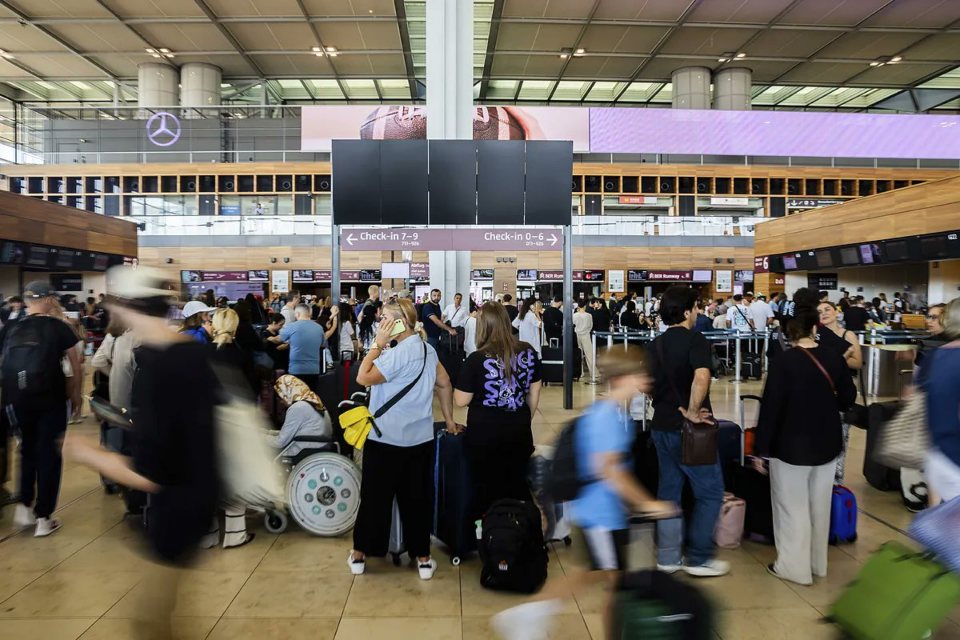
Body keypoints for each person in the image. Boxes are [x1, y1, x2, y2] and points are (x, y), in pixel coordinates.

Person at [64, 266, 219, 640]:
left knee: (151, 623)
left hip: (175, 506)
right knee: (163, 614)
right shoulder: (191, 353)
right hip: (201, 496)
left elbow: (151, 470)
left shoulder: (155, 364)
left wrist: (89, 454)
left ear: (125, 307)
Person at [490, 348, 676, 639]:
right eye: (639, 374)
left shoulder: (612, 413)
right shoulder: (609, 418)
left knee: (594, 575)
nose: (645, 379)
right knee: (612, 584)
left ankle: (530, 614)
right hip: (600, 517)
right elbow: (610, 471)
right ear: (622, 378)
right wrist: (649, 504)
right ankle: (531, 615)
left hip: (603, 514)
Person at [349, 299, 458, 580]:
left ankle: (361, 554)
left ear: (400, 321)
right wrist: (448, 419)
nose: (380, 321)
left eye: (385, 318)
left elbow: (363, 377)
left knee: (375, 498)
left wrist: (377, 343)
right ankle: (422, 558)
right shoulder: (427, 349)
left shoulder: (394, 354)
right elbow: (444, 383)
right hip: (420, 439)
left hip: (385, 438)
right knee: (416, 499)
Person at [754, 306, 857, 586]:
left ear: (789, 334)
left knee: (791, 506)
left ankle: (793, 568)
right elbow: (848, 396)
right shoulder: (833, 357)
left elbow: (771, 408)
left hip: (789, 445)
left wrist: (761, 449)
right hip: (827, 442)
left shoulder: (784, 362)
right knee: (819, 505)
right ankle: (817, 564)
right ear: (815, 328)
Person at [645, 285, 729, 578]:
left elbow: (645, 384)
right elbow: (702, 376)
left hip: (661, 426)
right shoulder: (696, 340)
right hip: (690, 432)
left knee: (669, 492)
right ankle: (699, 557)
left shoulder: (654, 344)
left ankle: (668, 558)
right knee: (710, 492)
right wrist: (692, 412)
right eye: (695, 307)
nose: (697, 312)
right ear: (685, 311)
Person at [0, 281, 82, 537]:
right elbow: (75, 363)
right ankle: (44, 517)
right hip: (50, 399)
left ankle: (24, 507)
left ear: (26, 301)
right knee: (49, 454)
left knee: (26, 449)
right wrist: (76, 395)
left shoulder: (13, 326)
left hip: (16, 398)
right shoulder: (58, 327)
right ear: (48, 300)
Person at [454, 302, 541, 520]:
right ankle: (520, 532)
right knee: (517, 483)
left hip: (484, 434)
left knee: (485, 488)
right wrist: (523, 418)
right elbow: (534, 391)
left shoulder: (476, 359)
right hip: (519, 431)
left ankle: (489, 537)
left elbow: (461, 400)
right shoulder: (527, 351)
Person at [817, 301, 863, 483]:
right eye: (819, 311)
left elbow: (858, 362)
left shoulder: (847, 335)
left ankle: (837, 482)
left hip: (842, 392)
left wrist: (837, 359)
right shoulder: (817, 337)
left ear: (836, 313)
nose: (824, 313)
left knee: (840, 439)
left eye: (827, 309)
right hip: (822, 392)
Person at [919, 299, 960, 502]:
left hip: (937, 453)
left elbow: (917, 396)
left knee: (937, 521)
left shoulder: (936, 355)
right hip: (955, 456)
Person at [268, 375, 332, 456]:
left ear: (287, 391)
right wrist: (270, 433)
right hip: (319, 446)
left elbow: (280, 442)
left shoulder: (297, 407)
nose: (281, 402)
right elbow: (294, 432)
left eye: (281, 397)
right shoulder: (312, 401)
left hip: (303, 451)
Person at [277, 303, 336, 390]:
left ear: (297, 314)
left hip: (296, 370)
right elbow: (322, 344)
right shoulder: (319, 328)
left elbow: (278, 339)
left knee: (297, 398)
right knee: (311, 398)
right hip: (314, 370)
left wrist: (269, 338)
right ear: (309, 313)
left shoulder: (292, 326)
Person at [573, 301, 596, 382]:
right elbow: (591, 326)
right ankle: (593, 372)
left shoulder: (575, 315)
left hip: (577, 335)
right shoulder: (589, 315)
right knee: (589, 355)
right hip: (586, 335)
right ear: (585, 306)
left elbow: (572, 325)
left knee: (579, 355)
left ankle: (580, 373)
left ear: (578, 306)